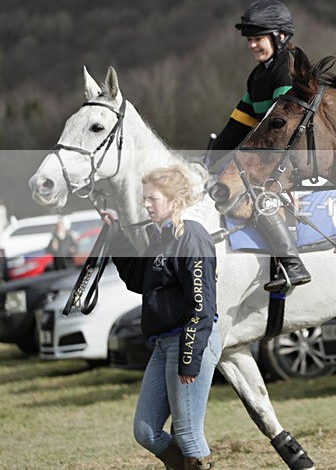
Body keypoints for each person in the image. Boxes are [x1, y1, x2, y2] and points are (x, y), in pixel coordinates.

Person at [104, 165, 220, 470]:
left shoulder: (192, 237)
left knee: (188, 433)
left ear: (174, 201)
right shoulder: (160, 237)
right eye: (144, 198)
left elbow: (202, 305)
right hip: (163, 344)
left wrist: (189, 357)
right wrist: (117, 237)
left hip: (188, 341)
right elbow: (139, 280)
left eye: (152, 198)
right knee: (146, 432)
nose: (145, 204)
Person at [207, 0, 310, 290]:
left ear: (280, 36)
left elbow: (281, 128)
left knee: (256, 193)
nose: (252, 45)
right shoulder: (258, 75)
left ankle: (292, 263)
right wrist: (207, 161)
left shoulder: (286, 68)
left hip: (293, 154)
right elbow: (237, 126)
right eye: (249, 40)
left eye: (258, 39)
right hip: (272, 154)